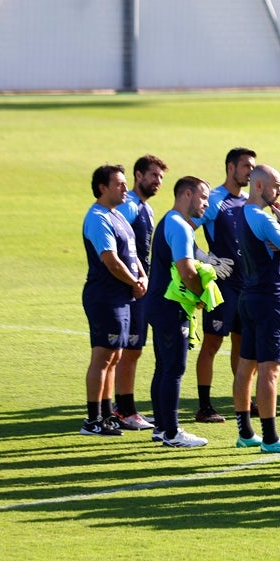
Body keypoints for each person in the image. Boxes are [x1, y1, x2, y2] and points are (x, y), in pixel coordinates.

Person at [232, 164, 280, 454]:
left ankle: (245, 432)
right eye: (276, 185)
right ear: (259, 186)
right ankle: (271, 438)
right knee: (270, 369)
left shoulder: (241, 213)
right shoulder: (264, 219)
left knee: (246, 365)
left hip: (248, 297)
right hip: (271, 300)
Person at [143, 175, 211, 448]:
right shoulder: (180, 226)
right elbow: (186, 270)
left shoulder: (168, 222)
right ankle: (171, 432)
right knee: (174, 367)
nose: (206, 203)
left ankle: (161, 428)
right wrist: (200, 295)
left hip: (158, 304)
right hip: (170, 307)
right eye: (203, 197)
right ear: (187, 194)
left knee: (163, 366)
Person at [81, 164, 147, 437]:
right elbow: (110, 260)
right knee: (103, 356)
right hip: (106, 296)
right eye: (119, 184)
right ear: (102, 188)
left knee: (116, 355)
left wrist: (142, 277)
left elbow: (132, 255)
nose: (124, 188)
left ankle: (108, 415)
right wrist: (134, 282)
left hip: (122, 296)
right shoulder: (98, 218)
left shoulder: (116, 215)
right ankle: (93, 420)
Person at [193, 147, 254, 424]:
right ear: (231, 167)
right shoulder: (215, 199)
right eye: (246, 166)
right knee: (213, 343)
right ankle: (204, 406)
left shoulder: (249, 202)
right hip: (221, 287)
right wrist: (205, 258)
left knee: (243, 345)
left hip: (246, 285)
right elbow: (183, 228)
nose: (250, 172)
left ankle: (243, 400)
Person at [112, 154, 167, 431]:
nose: (157, 182)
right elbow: (121, 247)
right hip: (130, 288)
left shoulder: (145, 208)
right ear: (138, 175)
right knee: (128, 350)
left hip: (141, 287)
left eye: (160, 178)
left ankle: (124, 406)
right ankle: (124, 409)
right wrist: (134, 279)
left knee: (132, 350)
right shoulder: (129, 206)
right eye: (153, 176)